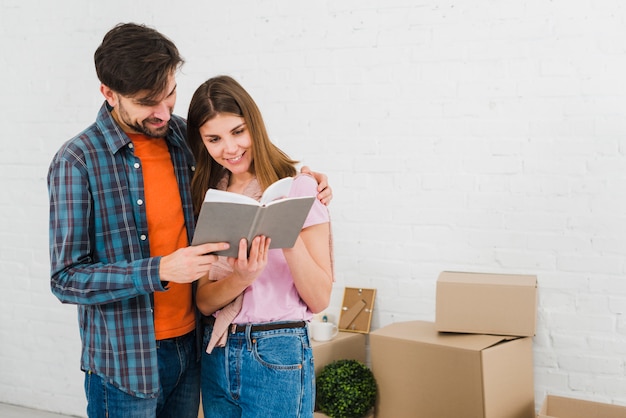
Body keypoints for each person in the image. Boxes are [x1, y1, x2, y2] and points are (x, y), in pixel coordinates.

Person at [47, 23, 332, 418]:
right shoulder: (77, 161)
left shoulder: (185, 139)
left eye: (170, 94)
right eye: (148, 102)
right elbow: (65, 278)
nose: (164, 113)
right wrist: (160, 269)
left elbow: (246, 165)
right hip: (126, 361)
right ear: (108, 94)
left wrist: (307, 182)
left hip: (196, 350)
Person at [186, 75, 334, 418]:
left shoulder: (301, 188)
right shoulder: (212, 194)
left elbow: (319, 298)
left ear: (254, 124)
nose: (230, 148)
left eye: (238, 131)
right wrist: (242, 277)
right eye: (214, 139)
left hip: (277, 349)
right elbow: (204, 301)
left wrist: (284, 227)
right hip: (218, 352)